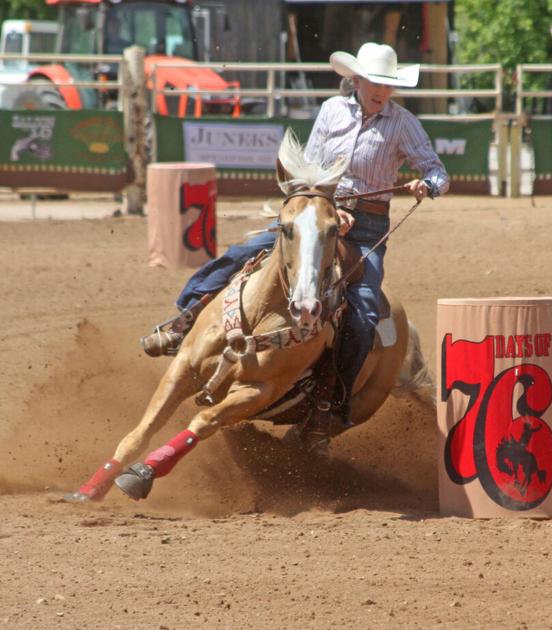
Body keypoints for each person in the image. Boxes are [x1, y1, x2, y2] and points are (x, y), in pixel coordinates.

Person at [141, 42, 449, 455]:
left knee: (363, 308)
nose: (379, 91)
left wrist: (425, 185)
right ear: (355, 80)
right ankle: (184, 321)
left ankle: (328, 401)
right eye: (373, 82)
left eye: (386, 85)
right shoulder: (331, 111)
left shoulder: (403, 124)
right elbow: (310, 168)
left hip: (366, 230)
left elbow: (437, 170)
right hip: (317, 214)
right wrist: (326, 208)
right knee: (238, 254)